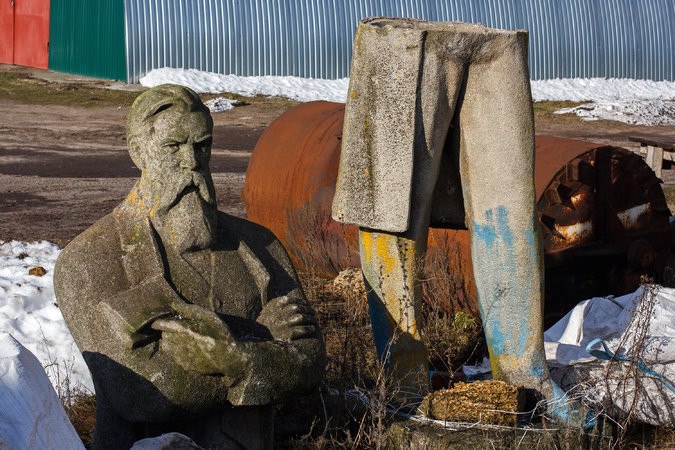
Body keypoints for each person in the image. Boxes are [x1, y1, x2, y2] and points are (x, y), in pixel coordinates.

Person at [54, 85, 325, 449]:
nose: (192, 162)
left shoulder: (261, 246)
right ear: (139, 153)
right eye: (173, 148)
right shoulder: (89, 260)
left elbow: (310, 362)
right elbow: (145, 390)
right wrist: (251, 350)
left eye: (201, 145)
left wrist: (231, 355)